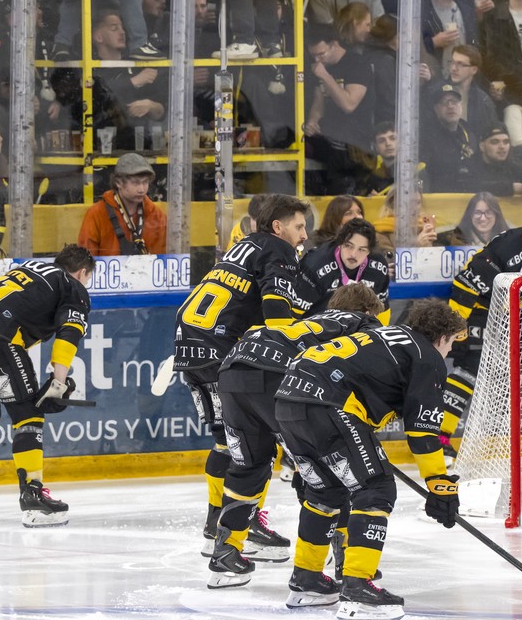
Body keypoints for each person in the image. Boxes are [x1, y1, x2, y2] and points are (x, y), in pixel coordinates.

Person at [273, 299, 466, 615]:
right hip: (329, 404)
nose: (450, 351)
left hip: (287, 401)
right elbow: (422, 432)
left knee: (326, 490)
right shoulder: (427, 355)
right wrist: (439, 483)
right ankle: (358, 586)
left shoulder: (388, 336)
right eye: (452, 342)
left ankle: (306, 580)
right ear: (443, 337)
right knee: (375, 488)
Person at [204, 282, 385, 597]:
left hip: (233, 368)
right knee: (332, 471)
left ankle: (225, 553)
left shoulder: (315, 320)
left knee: (249, 466)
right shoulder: (361, 324)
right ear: (367, 311)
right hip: (275, 374)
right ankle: (341, 558)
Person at [172, 195, 311, 557]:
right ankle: (242, 526)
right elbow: (276, 313)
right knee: (255, 442)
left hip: (189, 343)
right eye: (299, 226)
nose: (304, 235)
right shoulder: (279, 250)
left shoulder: (242, 248)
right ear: (278, 227)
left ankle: (215, 523)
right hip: (222, 349)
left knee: (225, 439)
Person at [0, 244, 94, 525]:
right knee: (29, 415)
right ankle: (33, 495)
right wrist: (58, 383)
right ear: (83, 273)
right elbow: (69, 333)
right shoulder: (72, 286)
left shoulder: (25, 271)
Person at [442, 205, 522, 445]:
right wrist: (456, 325)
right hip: (481, 309)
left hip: (521, 309)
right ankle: (440, 439)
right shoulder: (506, 248)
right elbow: (464, 286)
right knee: (471, 368)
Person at [290, 218, 392, 323]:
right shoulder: (315, 266)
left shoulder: (378, 267)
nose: (353, 254)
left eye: (361, 249)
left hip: (355, 329)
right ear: (340, 243)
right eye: (348, 246)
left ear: (369, 251)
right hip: (314, 327)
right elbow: (293, 314)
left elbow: (381, 312)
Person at [77, 153, 166, 256]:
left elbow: (164, 260)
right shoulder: (96, 214)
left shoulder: (157, 215)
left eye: (145, 182)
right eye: (135, 183)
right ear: (118, 183)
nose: (141, 189)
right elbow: (86, 261)